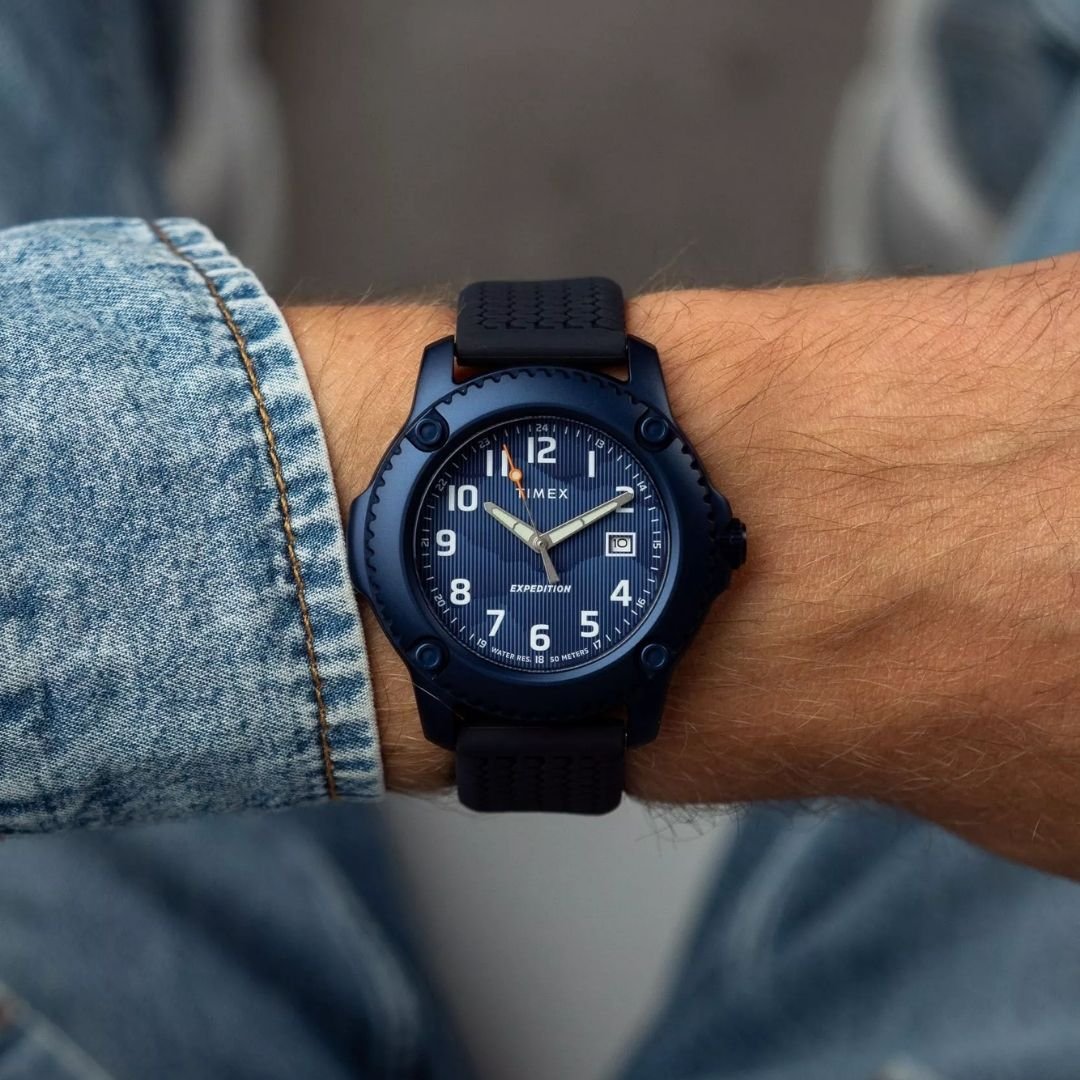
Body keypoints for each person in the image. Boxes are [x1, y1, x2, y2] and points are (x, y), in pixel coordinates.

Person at [2, 1, 1080, 1077]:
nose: (548, 548)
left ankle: (164, 272)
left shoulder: (558, 551)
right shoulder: (493, 532)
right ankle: (983, 158)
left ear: (714, 546)